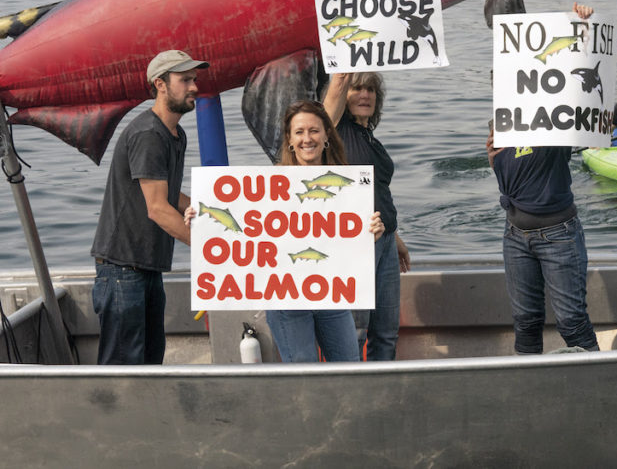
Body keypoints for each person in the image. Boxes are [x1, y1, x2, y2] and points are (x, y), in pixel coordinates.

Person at [188, 100, 384, 362]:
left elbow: (349, 244)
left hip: (332, 297)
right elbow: (240, 229)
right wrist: (201, 220)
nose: (307, 139)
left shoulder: (347, 181)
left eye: (314, 131)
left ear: (327, 134)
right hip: (288, 302)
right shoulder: (269, 184)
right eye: (299, 132)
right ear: (290, 140)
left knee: (350, 370)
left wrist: (372, 233)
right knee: (305, 380)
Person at [486, 2, 599, 355]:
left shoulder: (558, 116)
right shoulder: (500, 124)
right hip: (514, 235)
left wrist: (582, 28)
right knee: (526, 320)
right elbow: (512, 181)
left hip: (558, 236)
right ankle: (525, 388)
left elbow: (583, 89)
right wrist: (493, 159)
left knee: (571, 321)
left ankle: (601, 386)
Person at [91, 49, 209, 365]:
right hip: (122, 268)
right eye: (184, 80)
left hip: (147, 266)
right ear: (160, 84)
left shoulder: (176, 134)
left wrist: (214, 212)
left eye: (194, 79)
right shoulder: (148, 133)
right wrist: (212, 249)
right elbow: (157, 208)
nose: (194, 87)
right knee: (124, 370)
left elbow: (169, 196)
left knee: (150, 363)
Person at [323, 70, 411, 361]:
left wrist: (395, 238)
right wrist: (343, 71)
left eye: (371, 89)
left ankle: (381, 390)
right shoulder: (334, 131)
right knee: (356, 329)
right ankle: (351, 392)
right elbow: (336, 87)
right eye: (357, 88)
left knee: (386, 331)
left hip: (383, 240)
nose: (365, 94)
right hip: (355, 243)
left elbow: (378, 192)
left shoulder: (368, 137)